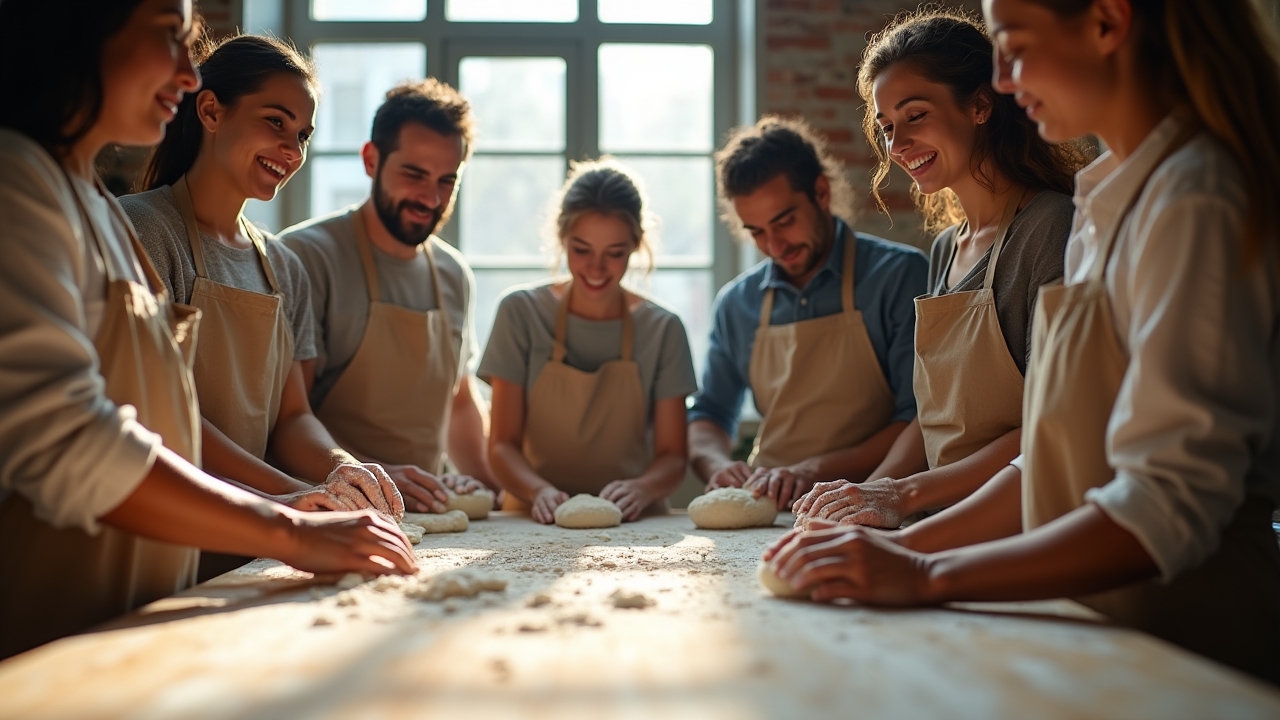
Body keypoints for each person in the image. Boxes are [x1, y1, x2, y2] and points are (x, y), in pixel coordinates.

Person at [766, 0, 1280, 683]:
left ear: (1106, 22)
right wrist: (907, 543)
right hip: (1088, 614)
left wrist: (924, 564)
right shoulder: (1108, 203)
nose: (1002, 81)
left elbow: (1165, 504)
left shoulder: (1193, 198)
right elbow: (1050, 449)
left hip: (1190, 645)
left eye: (1012, 45)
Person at [0, 0, 415, 660]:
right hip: (53, 618)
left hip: (145, 599)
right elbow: (79, 438)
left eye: (302, 135)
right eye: (169, 38)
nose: (186, 73)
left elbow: (270, 415)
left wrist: (337, 474)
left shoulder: (94, 205)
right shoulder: (31, 187)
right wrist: (290, 519)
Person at [794, 9, 1083, 528]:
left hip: (1022, 523)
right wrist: (865, 492)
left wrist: (900, 494)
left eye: (916, 114)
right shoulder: (947, 249)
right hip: (941, 520)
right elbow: (934, 424)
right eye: (886, 127)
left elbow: (1050, 423)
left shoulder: (1051, 228)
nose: (897, 145)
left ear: (979, 105)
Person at [121, 35, 405, 526]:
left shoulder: (282, 265)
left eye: (303, 135)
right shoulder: (142, 230)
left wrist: (345, 471)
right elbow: (159, 412)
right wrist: (293, 495)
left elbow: (291, 419)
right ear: (210, 111)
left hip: (256, 529)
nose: (291, 150)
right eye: (275, 122)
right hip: (163, 523)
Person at [688, 116, 929, 511]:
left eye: (784, 222)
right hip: (769, 505)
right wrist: (716, 463)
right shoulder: (737, 303)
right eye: (756, 232)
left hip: (868, 503)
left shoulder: (899, 277)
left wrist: (811, 471)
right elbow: (710, 414)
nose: (775, 245)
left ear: (820, 192)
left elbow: (918, 418)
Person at [280, 79, 495, 513]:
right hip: (332, 511)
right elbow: (283, 421)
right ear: (371, 160)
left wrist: (497, 488)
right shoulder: (305, 257)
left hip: (427, 515)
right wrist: (364, 475)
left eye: (446, 181)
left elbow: (459, 401)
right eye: (414, 174)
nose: (430, 197)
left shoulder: (453, 274)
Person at [480, 160, 698, 523]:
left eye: (615, 253)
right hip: (532, 518)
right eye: (581, 250)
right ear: (561, 239)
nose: (596, 269)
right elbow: (502, 445)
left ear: (637, 245)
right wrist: (539, 492)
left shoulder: (663, 328)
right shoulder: (519, 312)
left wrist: (642, 488)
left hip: (634, 522)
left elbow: (673, 456)